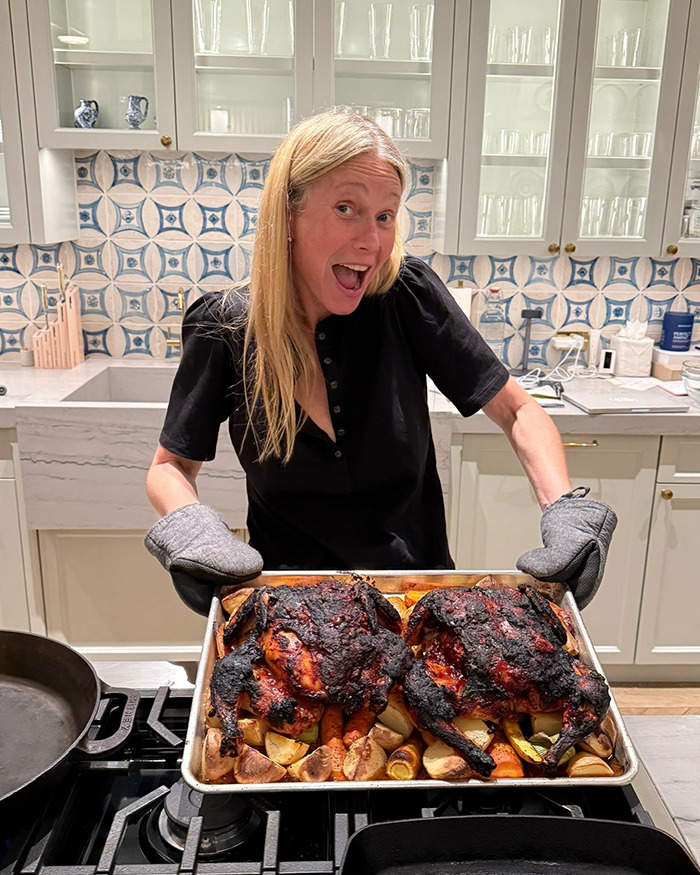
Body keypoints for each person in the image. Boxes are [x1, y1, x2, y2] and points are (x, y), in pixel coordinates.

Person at [144, 107, 616, 616]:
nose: (371, 240)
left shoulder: (406, 297)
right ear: (288, 214)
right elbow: (171, 467)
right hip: (289, 614)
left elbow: (517, 410)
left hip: (418, 601)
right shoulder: (227, 329)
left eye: (385, 215)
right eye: (346, 208)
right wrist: (193, 527)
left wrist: (565, 509)